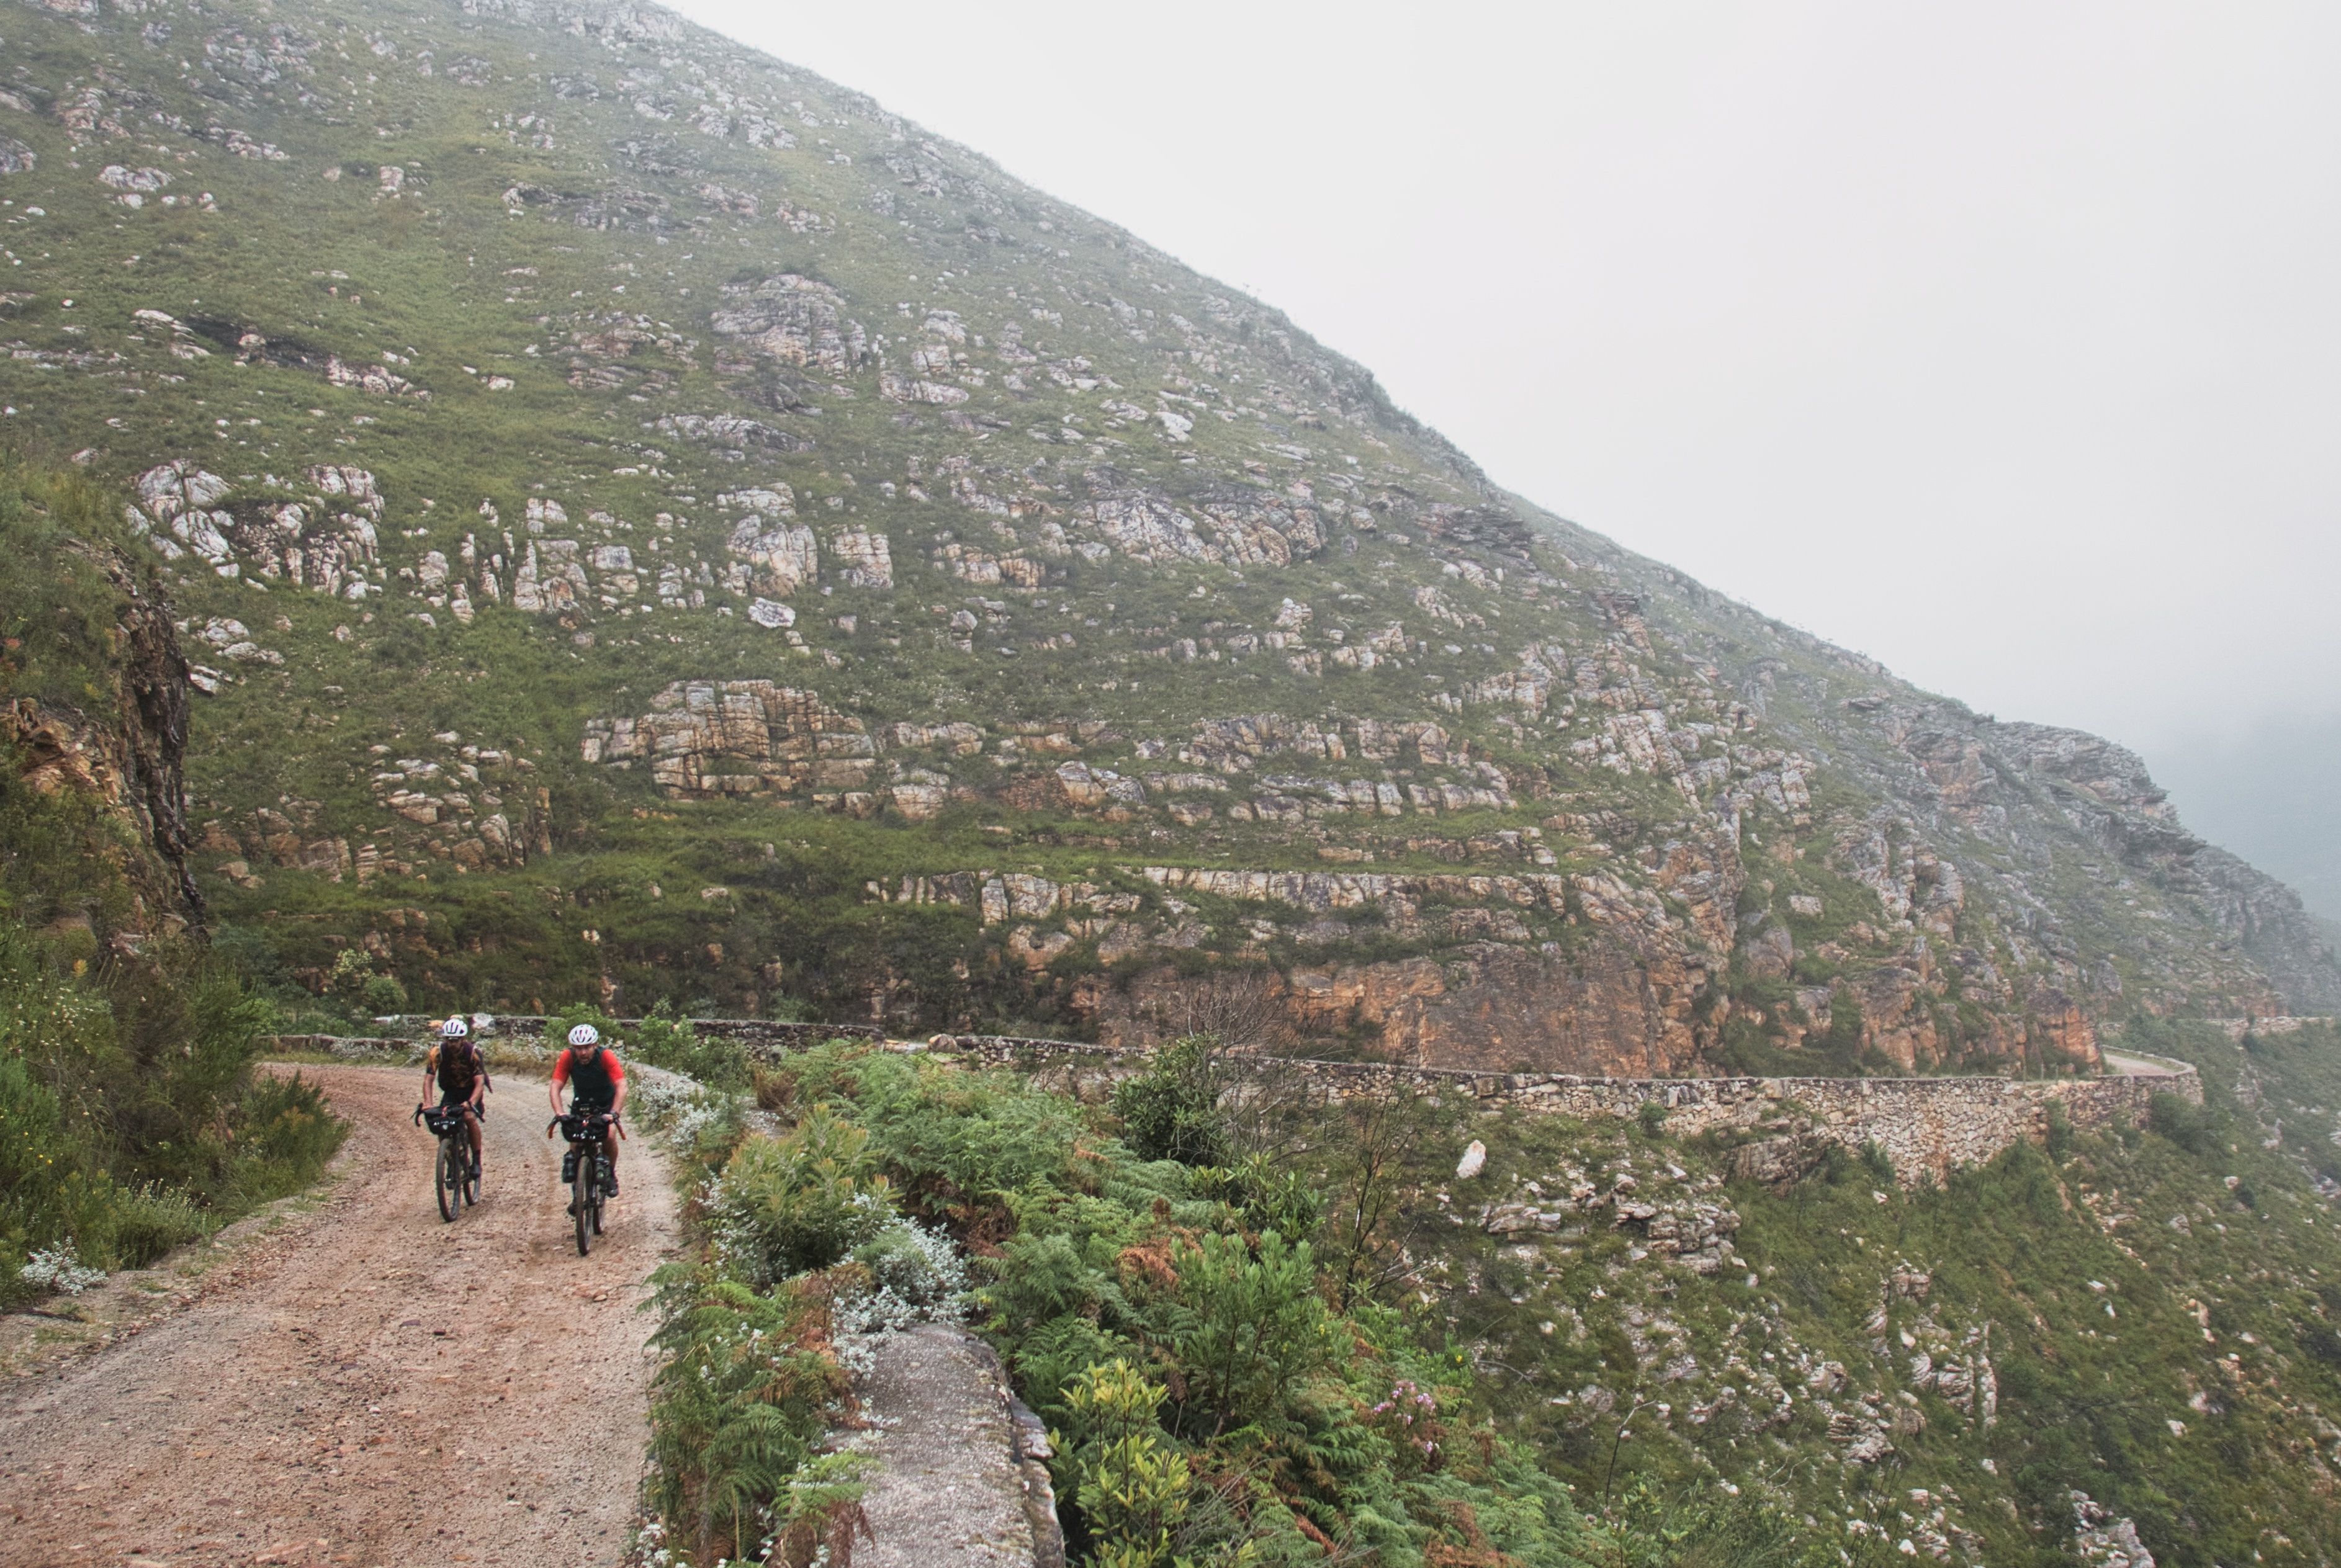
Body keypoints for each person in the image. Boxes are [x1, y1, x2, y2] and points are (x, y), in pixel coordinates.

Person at [549, 1022, 626, 1200]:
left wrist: (614, 1113)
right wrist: (560, 1113)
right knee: (576, 1139)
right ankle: (578, 1194)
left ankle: (611, 1174)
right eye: (578, 1048)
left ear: (595, 1045)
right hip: (581, 1104)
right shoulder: (568, 1057)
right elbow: (555, 1086)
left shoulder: (606, 1056)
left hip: (606, 1104)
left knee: (609, 1136)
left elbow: (621, 1085)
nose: (583, 1052)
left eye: (587, 1048)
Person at [421, 1015, 488, 1180]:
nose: (452, 1044)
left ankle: (477, 1160)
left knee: (469, 1118)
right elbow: (428, 1080)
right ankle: (452, 1161)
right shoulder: (437, 1053)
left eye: (456, 1040)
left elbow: (480, 1082)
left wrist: (471, 1102)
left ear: (463, 1039)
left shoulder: (473, 1053)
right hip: (451, 1092)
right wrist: (428, 1103)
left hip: (471, 1091)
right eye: (449, 1040)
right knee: (441, 1121)